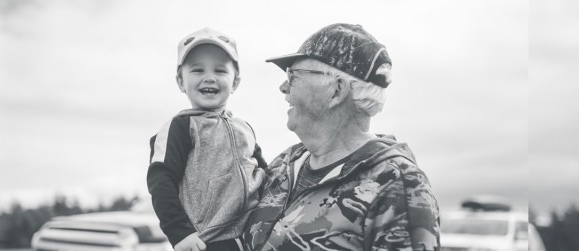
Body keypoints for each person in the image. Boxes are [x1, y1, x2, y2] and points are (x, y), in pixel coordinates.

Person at [242, 23, 441, 251]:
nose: (283, 87)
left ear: (337, 90)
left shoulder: (397, 185)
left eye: (294, 75)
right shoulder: (283, 164)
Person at [147, 27, 267, 251]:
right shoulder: (179, 127)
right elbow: (160, 180)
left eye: (220, 71)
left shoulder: (245, 128)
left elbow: (264, 172)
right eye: (198, 70)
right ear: (181, 82)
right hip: (208, 241)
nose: (209, 77)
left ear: (236, 82)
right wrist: (180, 234)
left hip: (255, 235)